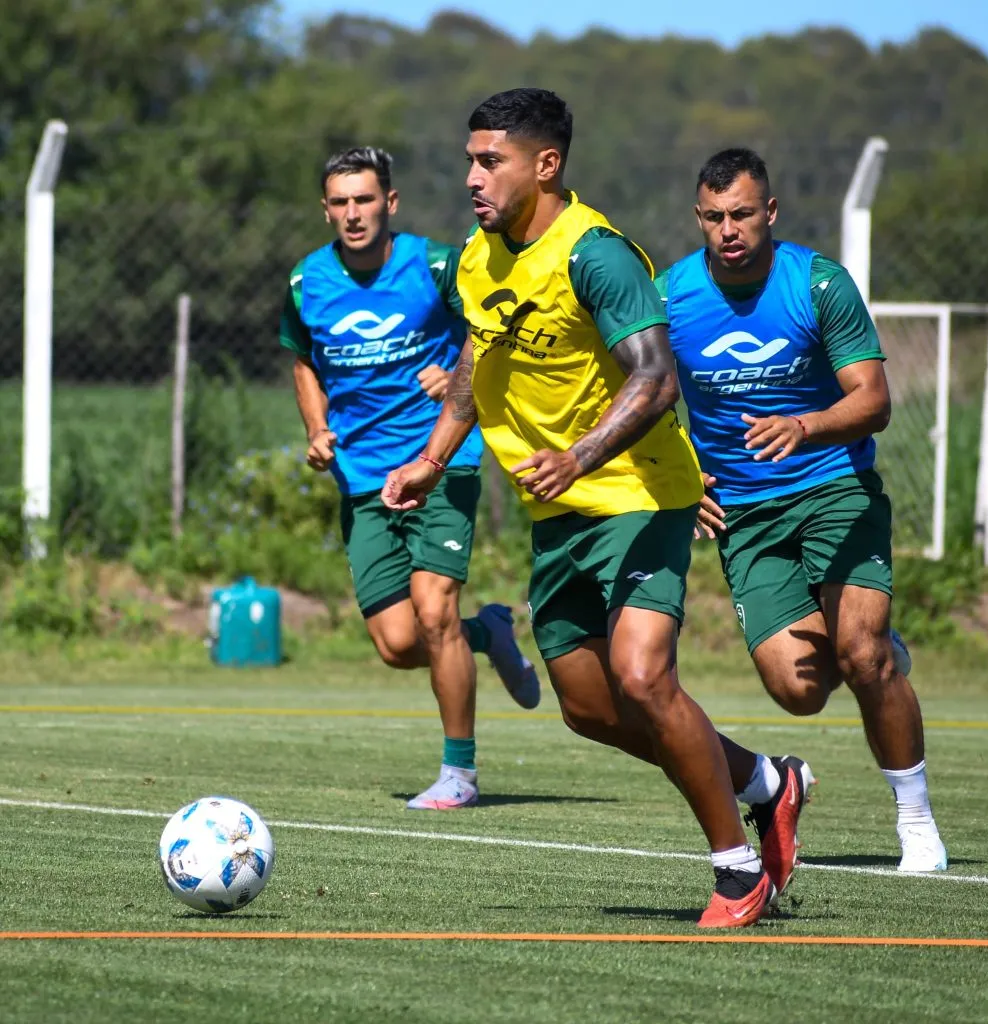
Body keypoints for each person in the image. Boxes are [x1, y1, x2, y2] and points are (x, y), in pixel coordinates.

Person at [382, 89, 801, 927]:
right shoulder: (477, 256)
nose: (472, 175)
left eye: (489, 160)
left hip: (642, 494)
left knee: (645, 677)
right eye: (469, 158)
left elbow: (655, 379)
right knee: (588, 709)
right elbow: (476, 360)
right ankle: (766, 782)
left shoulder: (596, 254)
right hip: (562, 515)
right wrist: (432, 458)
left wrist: (576, 455)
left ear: (545, 165)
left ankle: (736, 868)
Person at [658, 147, 946, 873]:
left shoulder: (818, 283)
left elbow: (873, 400)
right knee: (799, 692)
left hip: (833, 488)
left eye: (743, 214)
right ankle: (872, 642)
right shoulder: (670, 297)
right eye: (715, 217)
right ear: (699, 218)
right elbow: (642, 397)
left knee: (861, 654)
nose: (730, 229)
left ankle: (915, 820)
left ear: (770, 212)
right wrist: (683, 472)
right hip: (746, 515)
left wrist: (806, 425)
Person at [280, 146, 540, 812]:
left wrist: (452, 375)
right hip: (363, 479)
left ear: (389, 203)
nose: (352, 213)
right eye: (339, 202)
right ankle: (490, 634)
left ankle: (460, 773)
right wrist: (316, 429)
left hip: (441, 462)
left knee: (433, 612)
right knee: (399, 644)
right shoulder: (308, 283)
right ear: (326, 210)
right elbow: (302, 361)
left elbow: (485, 330)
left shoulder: (432, 265)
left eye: (364, 199)